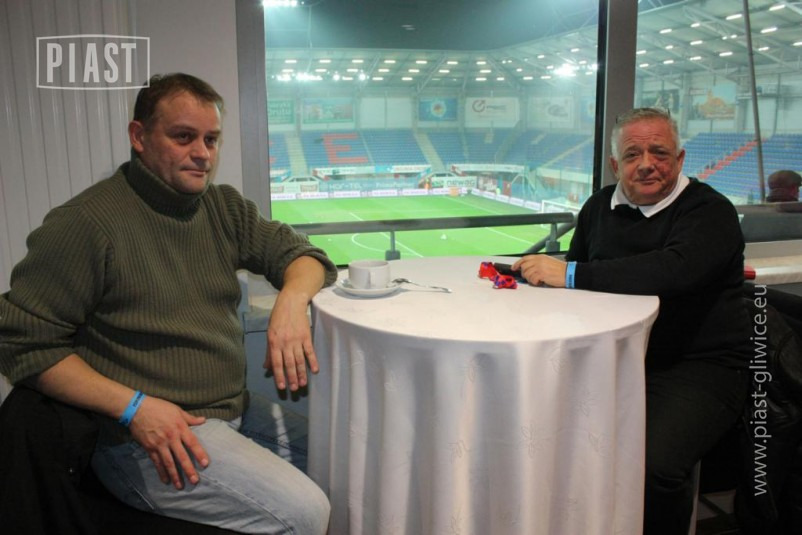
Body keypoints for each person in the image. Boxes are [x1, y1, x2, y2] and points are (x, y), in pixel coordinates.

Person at [0, 73, 336, 534]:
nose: (203, 154)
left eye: (211, 139)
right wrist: (135, 407)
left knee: (351, 463)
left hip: (230, 410)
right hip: (144, 438)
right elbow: (23, 344)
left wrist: (291, 303)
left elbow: (305, 257)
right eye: (183, 137)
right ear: (139, 137)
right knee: (305, 513)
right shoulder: (85, 224)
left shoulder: (223, 207)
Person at [512, 107, 751, 534]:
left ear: (679, 159)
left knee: (652, 465)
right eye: (633, 154)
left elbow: (673, 271)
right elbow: (576, 286)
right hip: (612, 358)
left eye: (659, 152)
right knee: (538, 434)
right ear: (614, 164)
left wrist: (571, 273)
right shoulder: (598, 206)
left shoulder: (710, 211)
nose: (646, 164)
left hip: (698, 366)